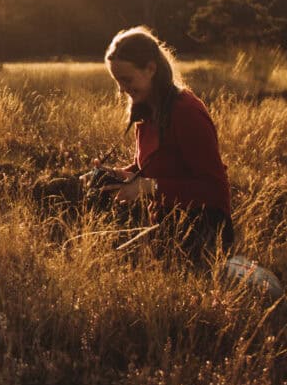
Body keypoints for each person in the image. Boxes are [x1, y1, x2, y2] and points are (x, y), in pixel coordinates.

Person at [84, 25, 236, 267]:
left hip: (202, 231)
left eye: (127, 79)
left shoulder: (186, 111)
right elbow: (153, 166)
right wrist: (121, 176)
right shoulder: (147, 110)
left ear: (151, 69)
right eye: (117, 81)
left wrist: (149, 187)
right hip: (166, 225)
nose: (122, 89)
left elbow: (215, 189)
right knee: (97, 253)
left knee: (116, 263)